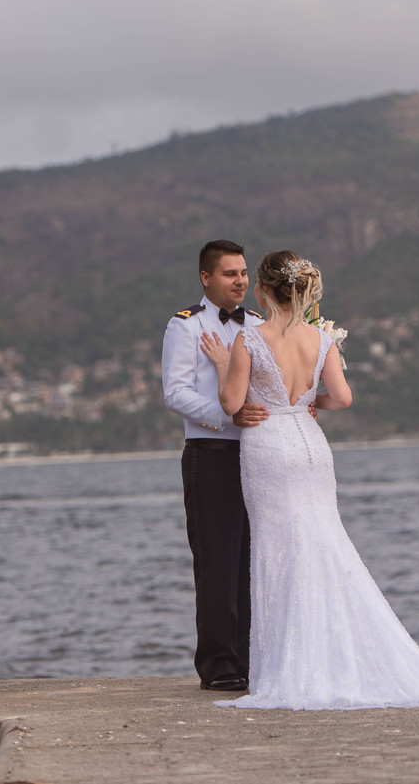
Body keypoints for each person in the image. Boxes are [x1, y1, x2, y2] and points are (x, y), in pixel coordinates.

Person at [200, 250, 419, 709]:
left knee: (276, 552)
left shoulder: (249, 339)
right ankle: (337, 657)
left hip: (268, 446)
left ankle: (287, 668)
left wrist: (220, 365)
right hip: (311, 447)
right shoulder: (321, 339)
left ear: (263, 290)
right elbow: (343, 398)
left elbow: (232, 403)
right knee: (324, 543)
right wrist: (310, 405)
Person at [161, 239, 267, 692]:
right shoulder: (185, 327)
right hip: (211, 456)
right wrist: (228, 415)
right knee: (217, 563)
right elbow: (175, 393)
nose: (240, 280)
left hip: (260, 457)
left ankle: (252, 660)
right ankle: (220, 666)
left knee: (253, 562)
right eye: (230, 273)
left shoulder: (262, 326)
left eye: (243, 273)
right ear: (207, 278)